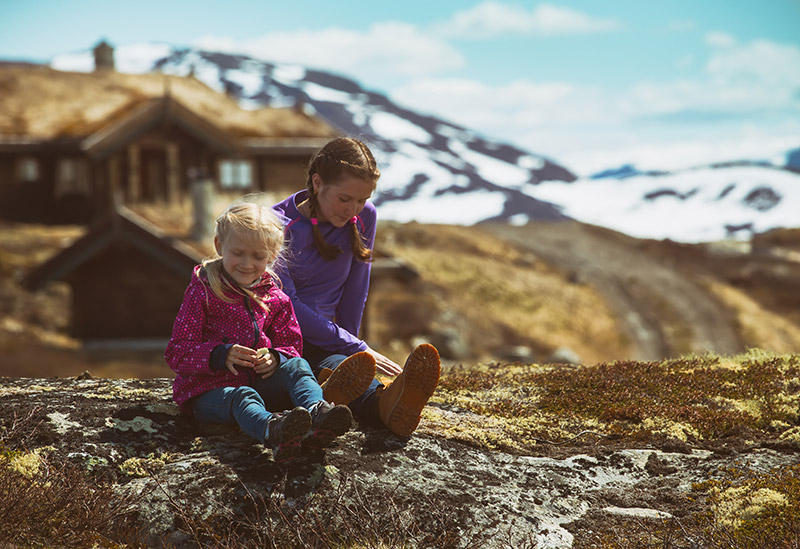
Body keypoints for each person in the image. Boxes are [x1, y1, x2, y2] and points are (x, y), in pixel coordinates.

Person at [273, 136, 441, 437]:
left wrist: (354, 354)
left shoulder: (365, 217)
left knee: (343, 369)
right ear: (317, 182)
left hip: (327, 340)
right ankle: (346, 393)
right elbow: (287, 306)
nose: (353, 210)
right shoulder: (277, 225)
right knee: (306, 370)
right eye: (344, 198)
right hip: (281, 338)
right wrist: (355, 346)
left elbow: (355, 291)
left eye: (362, 200)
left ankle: (386, 403)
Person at [165, 199, 356, 463]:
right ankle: (272, 429)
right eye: (238, 252)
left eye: (258, 256)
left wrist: (277, 357)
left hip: (260, 384)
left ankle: (318, 412)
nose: (247, 263)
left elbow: (292, 345)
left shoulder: (277, 298)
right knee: (243, 396)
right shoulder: (203, 291)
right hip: (209, 393)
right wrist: (220, 355)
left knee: (299, 365)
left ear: (272, 256)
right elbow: (177, 353)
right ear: (220, 245)